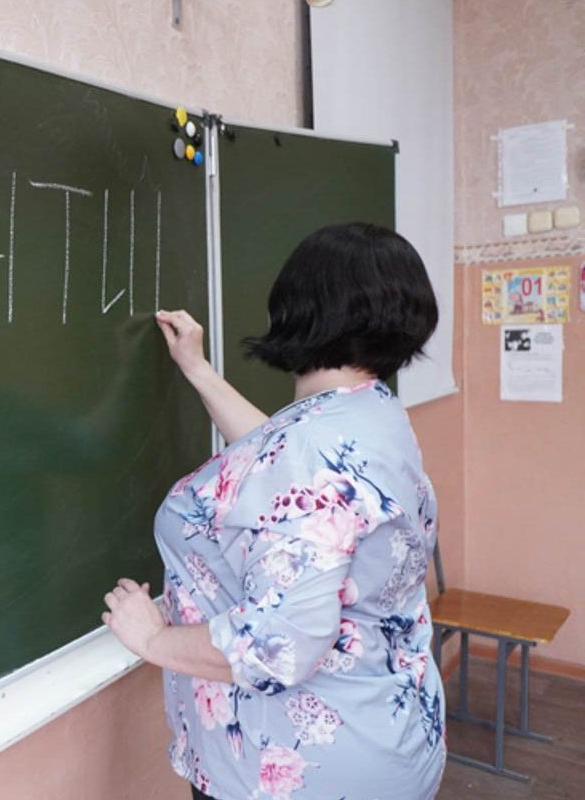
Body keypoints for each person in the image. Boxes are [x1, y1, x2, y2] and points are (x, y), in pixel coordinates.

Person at [101, 222, 445, 800]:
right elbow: (289, 469)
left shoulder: (309, 454)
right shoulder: (372, 416)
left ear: (298, 308)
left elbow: (279, 646)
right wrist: (198, 371)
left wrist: (153, 639)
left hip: (304, 773)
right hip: (392, 733)